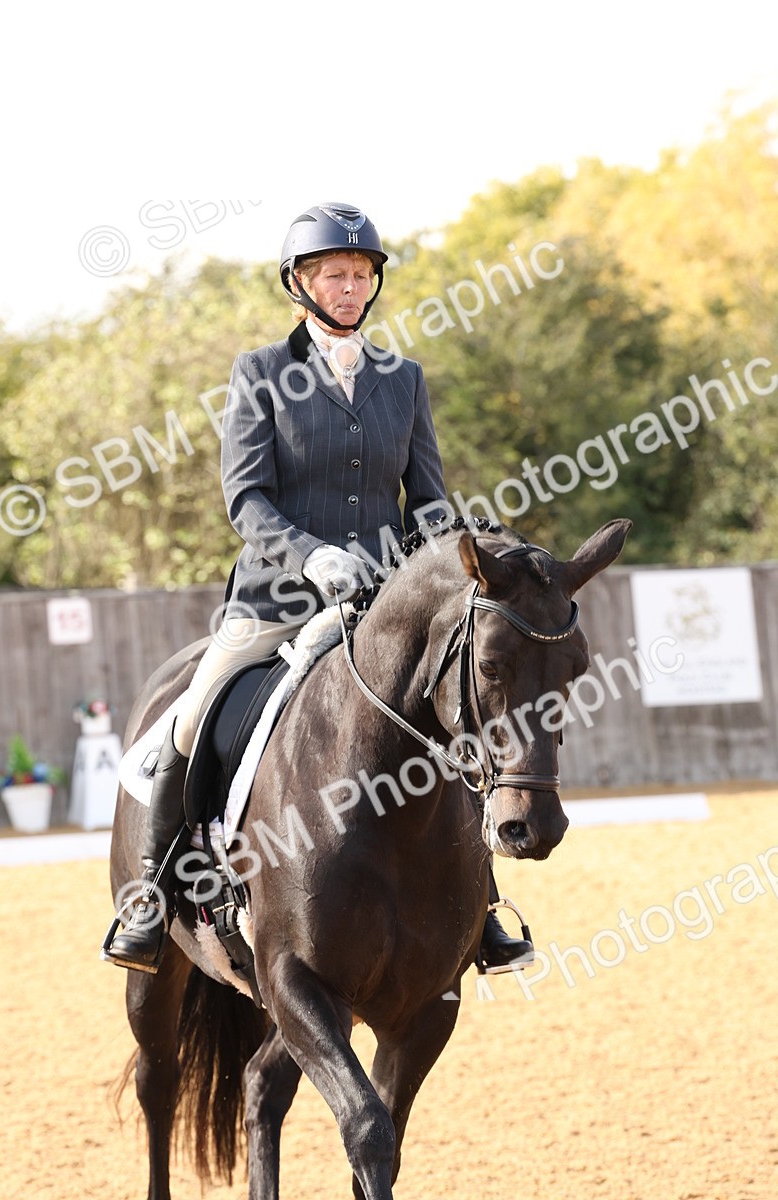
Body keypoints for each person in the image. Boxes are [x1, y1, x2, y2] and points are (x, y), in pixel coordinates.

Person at [104, 202, 532, 975]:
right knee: (191, 720)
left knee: (451, 716)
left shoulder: (402, 380)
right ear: (300, 282)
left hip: (381, 606)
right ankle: (148, 897)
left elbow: (425, 496)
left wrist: (449, 546)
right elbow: (246, 497)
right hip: (276, 599)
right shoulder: (261, 373)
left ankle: (486, 909)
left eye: (362, 274)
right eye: (335, 273)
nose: (350, 286)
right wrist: (310, 556)